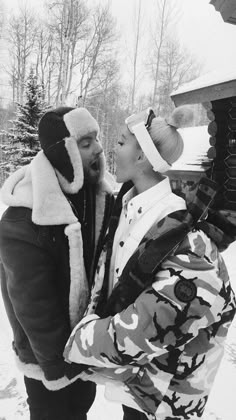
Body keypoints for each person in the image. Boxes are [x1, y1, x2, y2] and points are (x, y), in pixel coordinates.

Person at [64, 106, 236, 420]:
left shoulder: (184, 228)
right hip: (138, 385)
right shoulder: (127, 207)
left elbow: (162, 318)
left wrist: (83, 341)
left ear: (142, 156)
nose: (109, 149)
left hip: (168, 398)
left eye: (119, 142)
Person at [0, 106, 114, 420]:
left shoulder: (96, 199)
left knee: (79, 411)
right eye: (86, 142)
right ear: (63, 151)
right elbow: (32, 304)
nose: (98, 148)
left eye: (97, 139)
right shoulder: (23, 217)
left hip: (84, 352)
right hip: (48, 363)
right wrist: (65, 365)